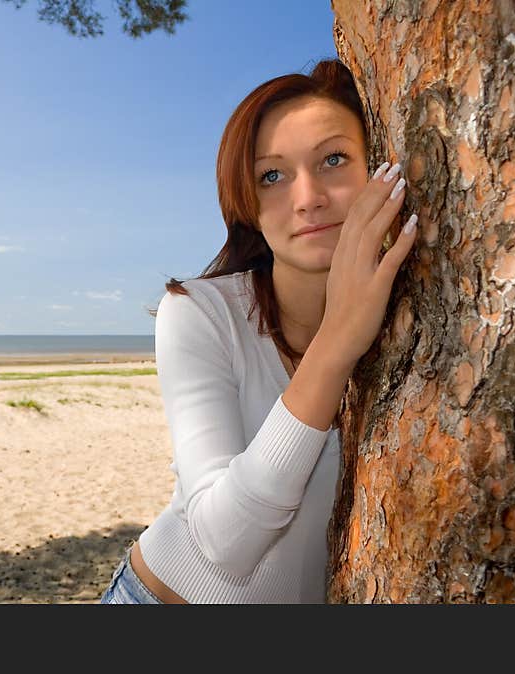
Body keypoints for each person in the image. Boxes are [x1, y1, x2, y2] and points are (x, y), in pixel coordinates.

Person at [99, 58, 418, 604]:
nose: (307, 197)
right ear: (248, 207)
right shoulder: (199, 312)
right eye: (272, 176)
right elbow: (225, 542)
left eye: (334, 159)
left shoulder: (417, 326)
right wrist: (337, 341)